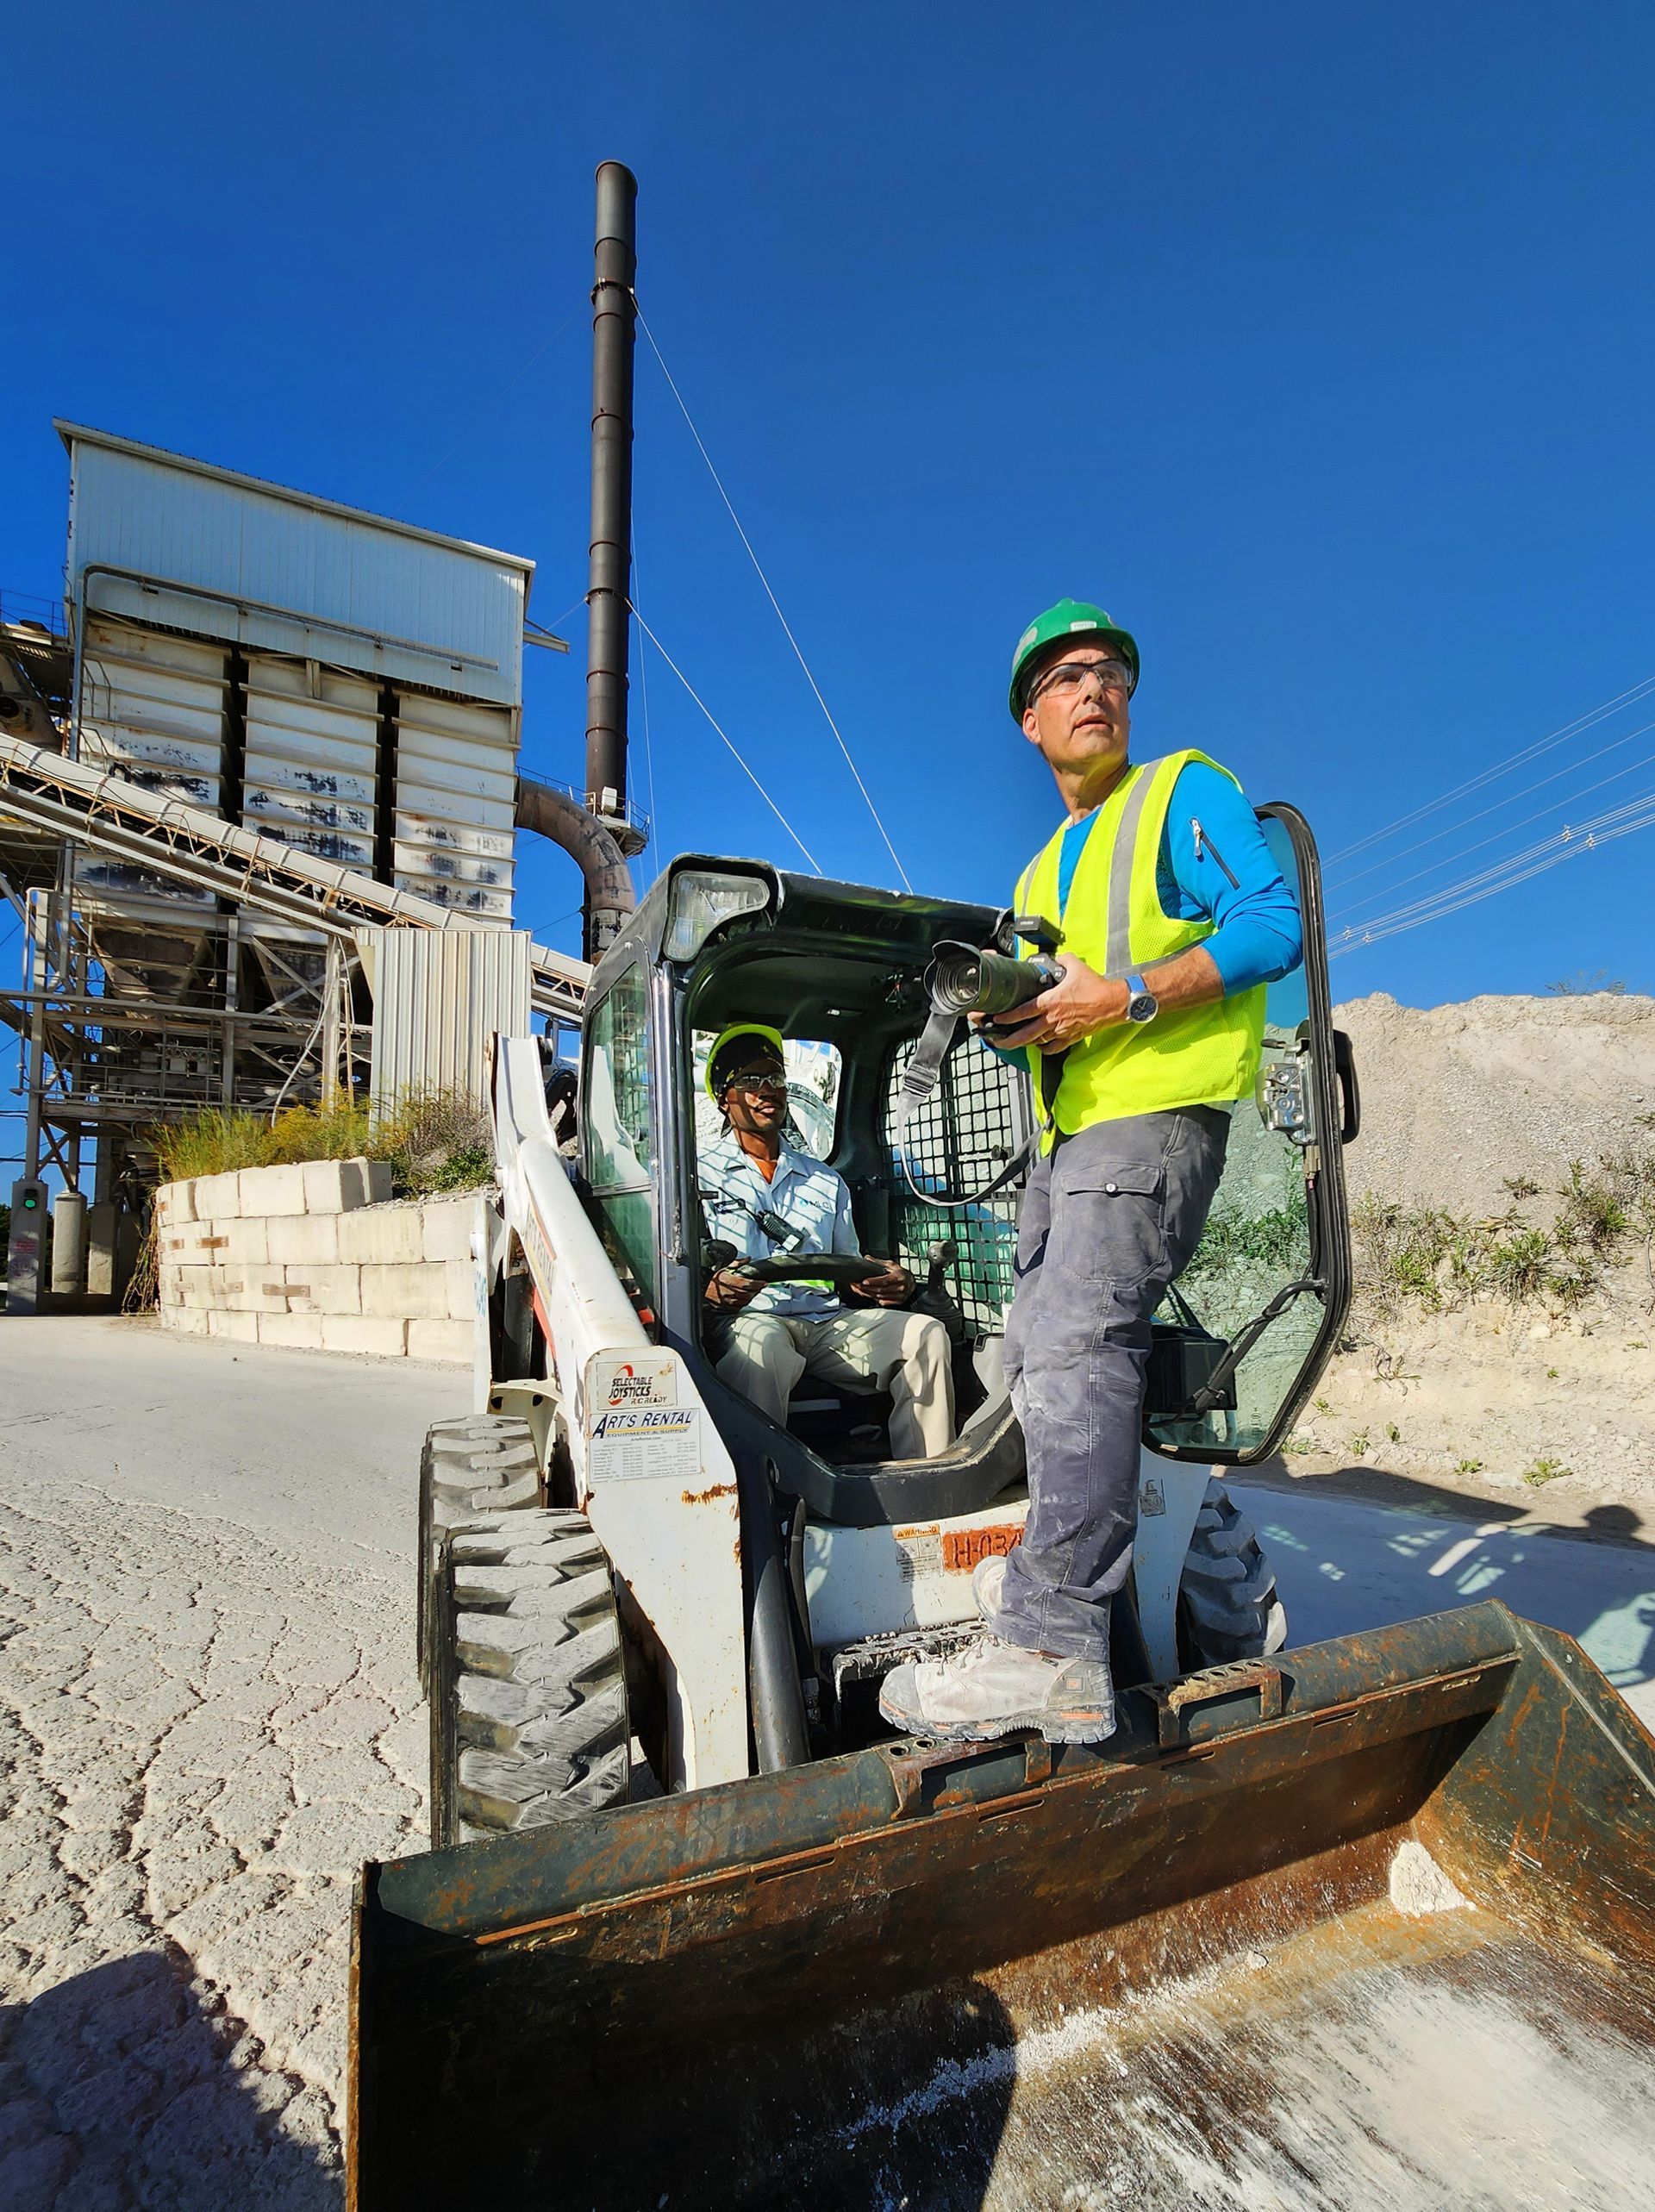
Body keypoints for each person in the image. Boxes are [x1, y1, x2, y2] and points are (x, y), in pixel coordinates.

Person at [881, 599, 1302, 1744]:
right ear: (1031, 720)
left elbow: (1272, 927)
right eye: (1066, 677)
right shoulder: (1043, 865)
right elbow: (1053, 1001)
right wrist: (1026, 1019)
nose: (1094, 688)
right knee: (1024, 1353)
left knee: (1076, 1343)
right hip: (1064, 1142)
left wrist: (1118, 997)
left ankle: (1055, 1641)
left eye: (1110, 670)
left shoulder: (1182, 792)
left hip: (1153, 1122)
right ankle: (1044, 1571)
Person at [700, 1023, 955, 1459]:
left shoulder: (825, 1180)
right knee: (761, 1350)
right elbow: (678, 1268)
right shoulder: (696, 1172)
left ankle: (929, 1476)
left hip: (827, 1324)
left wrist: (878, 1279)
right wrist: (709, 1291)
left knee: (925, 1333)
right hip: (751, 1320)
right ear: (726, 1098)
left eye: (776, 1079)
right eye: (751, 1081)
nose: (768, 1091)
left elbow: (847, 1265)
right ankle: (763, 1496)